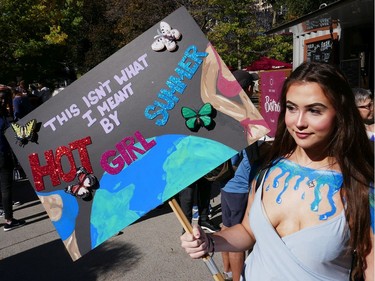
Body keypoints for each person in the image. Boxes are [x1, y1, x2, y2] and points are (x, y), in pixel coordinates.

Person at [181, 62, 374, 280]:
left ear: (340, 113)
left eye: (314, 110)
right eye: (292, 108)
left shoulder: (362, 188)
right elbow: (247, 232)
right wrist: (210, 241)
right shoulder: (268, 169)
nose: (298, 122)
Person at [0, 93, 26, 231]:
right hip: (2, 155)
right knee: (6, 188)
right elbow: (15, 135)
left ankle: (5, 214)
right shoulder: (3, 120)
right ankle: (9, 220)